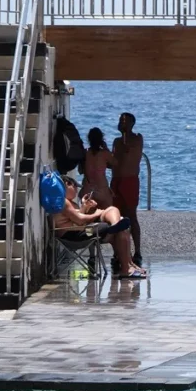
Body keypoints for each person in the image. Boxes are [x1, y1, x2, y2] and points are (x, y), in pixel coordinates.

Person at [53, 176, 145, 279]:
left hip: (79, 232)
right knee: (119, 229)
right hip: (73, 236)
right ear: (67, 184)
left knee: (113, 212)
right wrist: (96, 214)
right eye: (75, 187)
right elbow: (79, 220)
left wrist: (84, 206)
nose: (76, 190)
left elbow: (75, 219)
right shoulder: (63, 201)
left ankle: (128, 263)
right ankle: (126, 267)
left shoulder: (69, 203)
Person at [112, 112, 144, 266]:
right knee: (116, 216)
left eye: (125, 121)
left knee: (131, 215)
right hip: (116, 180)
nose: (121, 123)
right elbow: (115, 161)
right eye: (120, 120)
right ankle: (120, 252)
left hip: (130, 181)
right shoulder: (117, 141)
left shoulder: (137, 138)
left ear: (132, 123)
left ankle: (137, 252)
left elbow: (127, 152)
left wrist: (125, 133)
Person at [80, 128, 115, 209]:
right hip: (102, 188)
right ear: (101, 139)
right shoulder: (104, 153)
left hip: (87, 189)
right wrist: (106, 148)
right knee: (106, 211)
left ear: (89, 139)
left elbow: (81, 170)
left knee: (88, 213)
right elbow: (115, 163)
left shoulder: (85, 153)